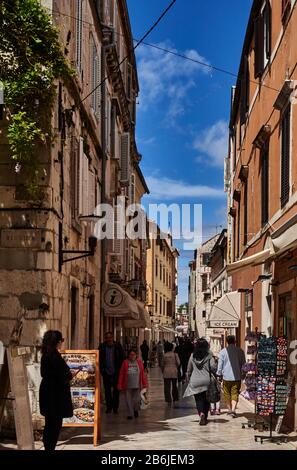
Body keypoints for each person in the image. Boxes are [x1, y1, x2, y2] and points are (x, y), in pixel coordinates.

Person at [39, 330, 73, 451]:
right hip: (56, 395)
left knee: (49, 424)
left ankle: (48, 447)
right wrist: (69, 375)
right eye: (61, 340)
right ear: (57, 342)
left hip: (47, 392)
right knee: (55, 425)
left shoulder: (45, 355)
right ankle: (50, 448)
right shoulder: (55, 356)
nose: (62, 343)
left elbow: (44, 373)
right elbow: (64, 374)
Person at [183, 338, 217, 426]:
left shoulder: (192, 356)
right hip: (206, 380)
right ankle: (205, 416)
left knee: (198, 400)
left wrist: (189, 378)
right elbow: (213, 367)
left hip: (195, 381)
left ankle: (201, 414)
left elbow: (189, 369)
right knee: (207, 400)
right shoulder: (209, 355)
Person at [217, 335, 246, 418]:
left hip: (226, 376)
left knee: (226, 393)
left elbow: (220, 365)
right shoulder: (240, 351)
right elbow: (243, 364)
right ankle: (233, 410)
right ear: (235, 341)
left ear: (227, 342)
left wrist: (219, 374)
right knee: (235, 393)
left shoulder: (223, 351)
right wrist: (243, 373)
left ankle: (229, 410)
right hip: (237, 376)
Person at [118, 349, 148, 419]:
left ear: (136, 355)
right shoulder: (125, 362)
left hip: (137, 384)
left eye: (133, 355)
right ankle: (130, 414)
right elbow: (121, 374)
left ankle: (135, 409)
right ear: (128, 355)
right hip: (128, 385)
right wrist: (120, 384)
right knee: (128, 400)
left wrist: (144, 384)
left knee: (137, 400)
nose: (132, 356)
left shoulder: (139, 362)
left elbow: (142, 373)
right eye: (130, 355)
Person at [99, 332, 124, 414]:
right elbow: (99, 358)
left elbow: (122, 357)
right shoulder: (102, 347)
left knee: (116, 391)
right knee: (107, 390)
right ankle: (109, 407)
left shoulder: (118, 346)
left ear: (112, 338)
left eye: (110, 337)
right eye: (107, 337)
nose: (109, 339)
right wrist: (102, 369)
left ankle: (115, 407)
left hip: (116, 371)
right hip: (106, 372)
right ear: (105, 339)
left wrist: (120, 369)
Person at [161, 342, 180, 407]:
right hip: (174, 371)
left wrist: (163, 370)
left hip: (166, 372)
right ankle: (175, 399)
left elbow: (162, 364)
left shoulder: (164, 355)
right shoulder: (175, 354)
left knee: (167, 387)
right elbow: (178, 363)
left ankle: (168, 400)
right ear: (172, 347)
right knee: (174, 386)